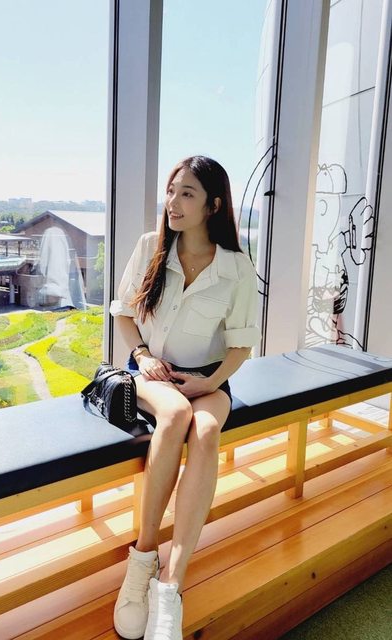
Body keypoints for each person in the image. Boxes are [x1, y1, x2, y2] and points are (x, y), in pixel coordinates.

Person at [109, 156, 261, 640]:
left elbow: (240, 345)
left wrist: (210, 384)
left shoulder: (237, 266)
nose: (172, 202)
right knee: (175, 415)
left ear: (213, 205)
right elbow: (123, 312)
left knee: (207, 429)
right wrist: (141, 354)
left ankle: (170, 586)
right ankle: (143, 559)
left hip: (209, 379)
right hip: (151, 370)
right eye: (171, 191)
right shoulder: (150, 247)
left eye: (187, 194)